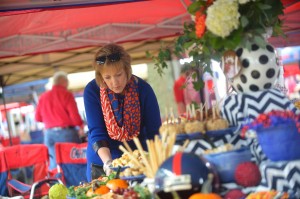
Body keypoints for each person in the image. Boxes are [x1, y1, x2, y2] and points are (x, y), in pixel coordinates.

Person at [83, 43, 161, 181]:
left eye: (118, 75)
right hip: (103, 160)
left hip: (137, 160)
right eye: (107, 77)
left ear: (127, 70)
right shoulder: (92, 91)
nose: (114, 82)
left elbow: (154, 132)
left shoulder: (143, 90)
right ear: (100, 76)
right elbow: (97, 132)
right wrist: (108, 164)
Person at [35, 71, 84, 170]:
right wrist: (80, 125)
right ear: (64, 82)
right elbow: (75, 117)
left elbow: (38, 118)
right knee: (72, 162)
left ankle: (57, 183)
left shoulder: (43, 97)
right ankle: (73, 184)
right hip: (66, 133)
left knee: (54, 164)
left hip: (49, 134)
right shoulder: (66, 94)